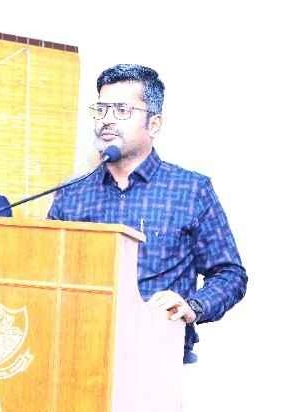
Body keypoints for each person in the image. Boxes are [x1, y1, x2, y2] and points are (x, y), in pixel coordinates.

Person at [48, 64, 247, 363]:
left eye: (121, 110)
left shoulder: (190, 190)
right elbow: (47, 272)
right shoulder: (72, 194)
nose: (107, 120)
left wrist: (193, 306)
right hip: (79, 354)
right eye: (101, 109)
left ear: (154, 124)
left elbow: (230, 274)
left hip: (159, 357)